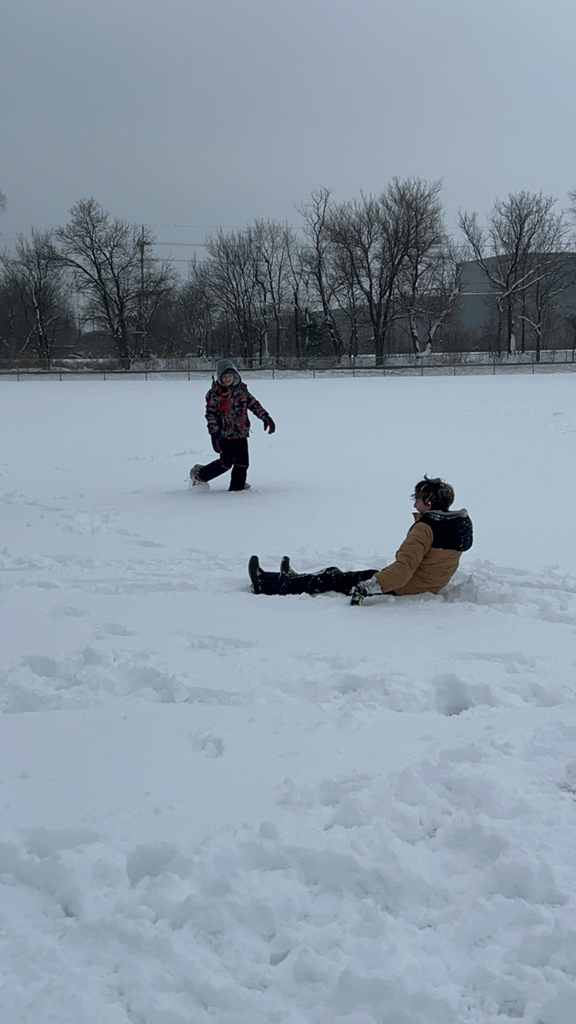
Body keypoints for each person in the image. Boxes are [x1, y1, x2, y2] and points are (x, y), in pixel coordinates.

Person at [248, 476, 473, 604]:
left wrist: (369, 586)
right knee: (335, 574)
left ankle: (268, 583)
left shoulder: (425, 528)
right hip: (424, 585)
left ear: (429, 503)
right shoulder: (452, 526)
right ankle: (295, 579)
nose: (415, 504)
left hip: (403, 586)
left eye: (419, 500)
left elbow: (403, 570)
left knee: (332, 578)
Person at [190, 358, 275, 492]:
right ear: (220, 377)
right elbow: (210, 414)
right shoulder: (215, 393)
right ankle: (199, 475)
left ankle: (237, 488)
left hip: (241, 432)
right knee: (226, 463)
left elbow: (253, 404)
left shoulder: (241, 389)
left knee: (243, 462)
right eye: (225, 376)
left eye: (230, 376)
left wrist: (265, 417)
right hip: (224, 434)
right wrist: (214, 434)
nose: (228, 379)